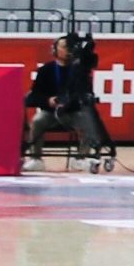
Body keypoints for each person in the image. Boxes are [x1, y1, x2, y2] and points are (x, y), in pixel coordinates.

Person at [20, 26, 110, 168]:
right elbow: (34, 96)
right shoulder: (45, 70)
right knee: (37, 121)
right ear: (55, 50)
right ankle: (36, 159)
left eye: (70, 47)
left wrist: (73, 102)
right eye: (64, 47)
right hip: (50, 112)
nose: (68, 50)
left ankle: (81, 157)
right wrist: (48, 101)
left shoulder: (80, 71)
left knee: (88, 121)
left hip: (73, 112)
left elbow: (87, 93)